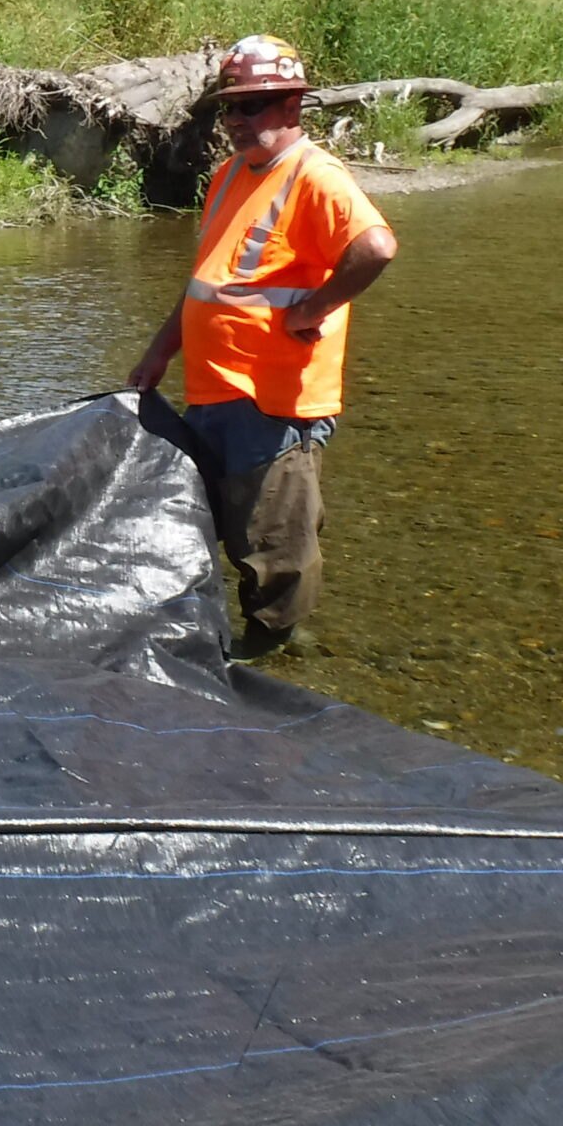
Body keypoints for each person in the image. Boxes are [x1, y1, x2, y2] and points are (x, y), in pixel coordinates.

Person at [127, 34, 399, 660]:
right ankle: (247, 637)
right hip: (214, 387)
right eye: (231, 108)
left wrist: (315, 308)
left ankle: (278, 651)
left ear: (291, 108)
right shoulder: (228, 175)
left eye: (255, 105)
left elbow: (376, 248)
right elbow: (208, 282)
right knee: (222, 523)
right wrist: (160, 350)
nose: (239, 121)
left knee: (274, 539)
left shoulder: (315, 174)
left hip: (275, 399)